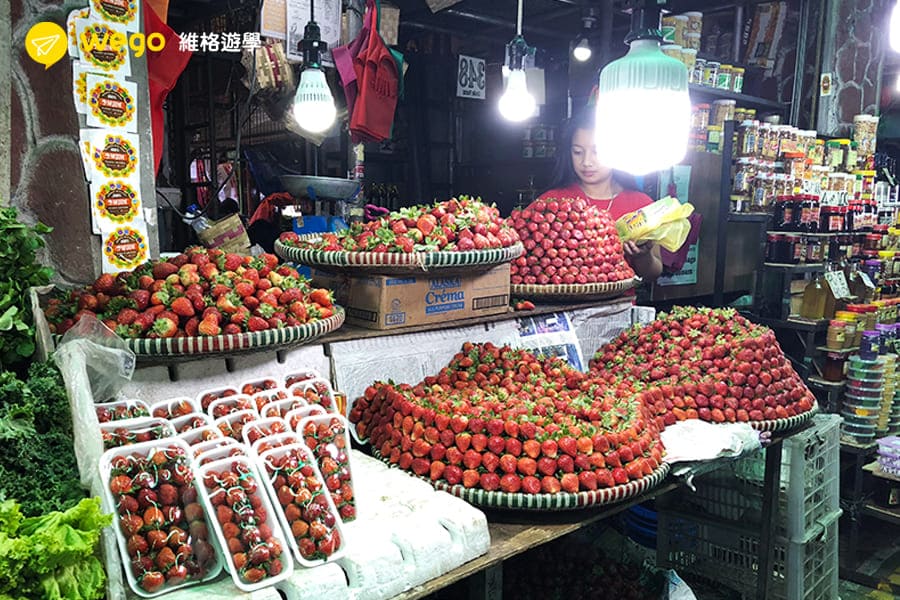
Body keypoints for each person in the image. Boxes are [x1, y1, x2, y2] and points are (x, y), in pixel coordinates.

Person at [539, 110, 663, 281]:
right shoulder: (550, 203)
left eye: (597, 152)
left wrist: (642, 256)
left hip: (621, 299)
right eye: (577, 152)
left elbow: (653, 273)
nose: (586, 162)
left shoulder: (641, 206)